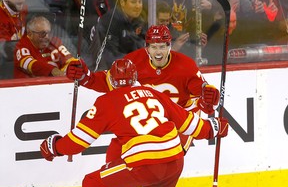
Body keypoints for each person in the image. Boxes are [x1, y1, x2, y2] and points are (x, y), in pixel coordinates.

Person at [40, 58, 229, 187]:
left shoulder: (107, 101)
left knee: (92, 184)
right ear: (135, 79)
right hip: (175, 161)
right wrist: (215, 127)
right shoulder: (154, 93)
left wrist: (54, 147)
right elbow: (190, 125)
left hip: (145, 165)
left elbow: (79, 141)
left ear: (111, 81)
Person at [66, 24, 220, 154]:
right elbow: (107, 82)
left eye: (162, 47)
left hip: (181, 119)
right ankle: (114, 186)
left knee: (167, 154)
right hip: (151, 118)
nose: (158, 52)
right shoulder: (133, 62)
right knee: (118, 147)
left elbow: (204, 99)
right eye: (153, 47)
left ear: (169, 46)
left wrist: (209, 99)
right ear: (147, 48)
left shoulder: (186, 66)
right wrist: (84, 77)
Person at [88, 0, 147, 70]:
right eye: (133, 2)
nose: (138, 6)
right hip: (107, 71)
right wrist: (136, 61)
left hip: (132, 67)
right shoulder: (111, 21)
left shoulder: (139, 21)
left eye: (140, 2)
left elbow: (144, 48)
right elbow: (109, 56)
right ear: (122, 3)